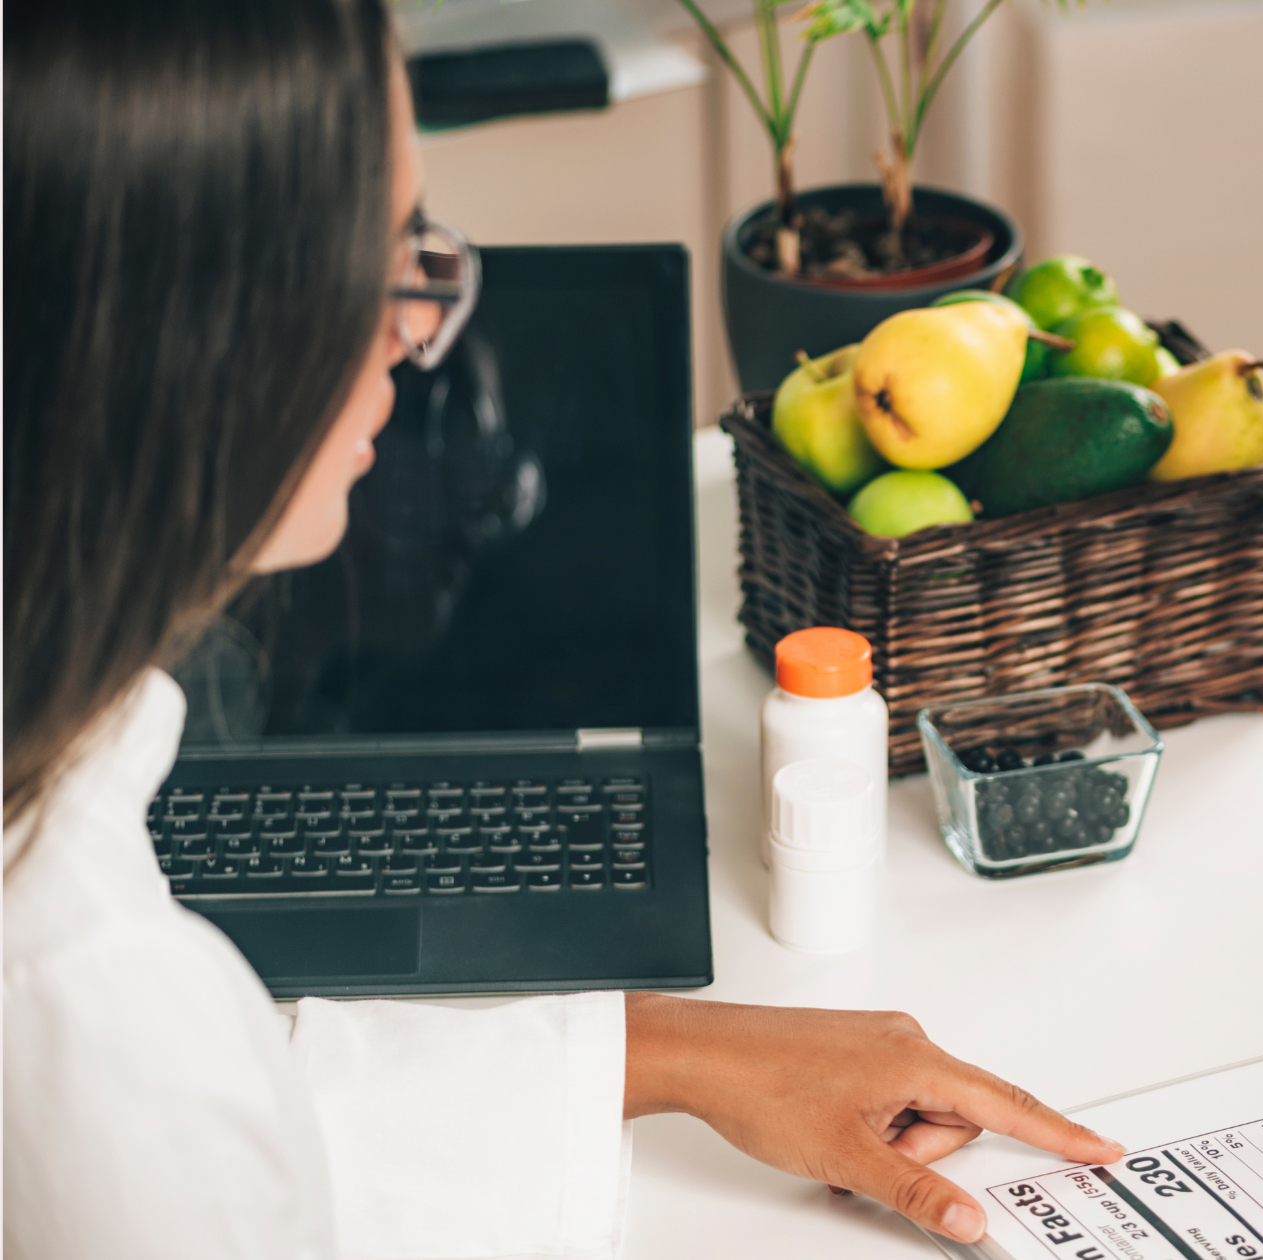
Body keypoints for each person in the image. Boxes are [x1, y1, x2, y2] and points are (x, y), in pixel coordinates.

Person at [0, 2, 1120, 1255]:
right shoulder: (73, 992)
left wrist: (687, 1049)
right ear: (176, 335)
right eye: (377, 260)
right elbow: (183, 1129)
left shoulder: (60, 840)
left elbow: (247, 1101)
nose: (420, 334)